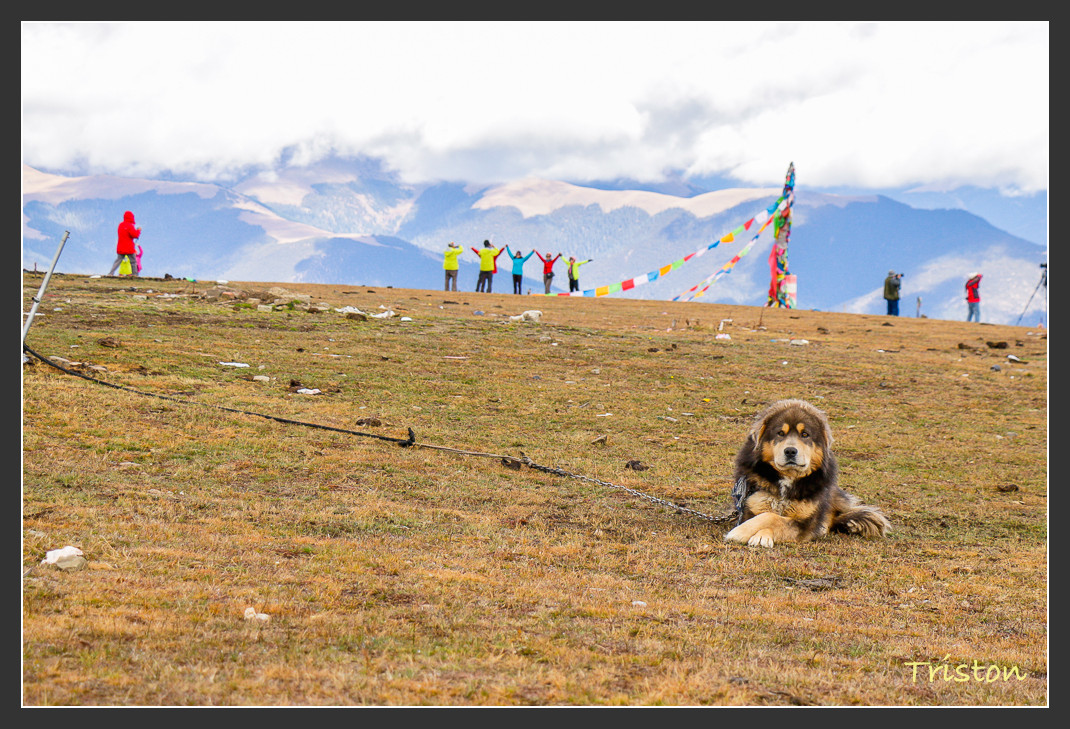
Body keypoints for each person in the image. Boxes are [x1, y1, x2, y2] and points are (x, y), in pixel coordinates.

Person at [108, 210, 142, 276]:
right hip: (129, 247)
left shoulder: (120, 225)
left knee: (118, 261)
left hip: (121, 247)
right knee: (133, 261)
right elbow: (135, 235)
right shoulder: (130, 226)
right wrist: (138, 230)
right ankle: (135, 275)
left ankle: (111, 273)